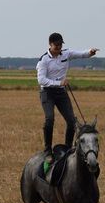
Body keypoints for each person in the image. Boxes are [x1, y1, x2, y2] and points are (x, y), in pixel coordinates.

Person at [36, 32, 98, 164]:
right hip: (47, 93)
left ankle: (68, 148)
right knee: (50, 119)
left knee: (71, 121)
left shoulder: (66, 54)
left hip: (61, 93)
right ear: (50, 44)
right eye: (56, 45)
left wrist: (90, 52)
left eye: (60, 44)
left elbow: (80, 54)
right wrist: (59, 83)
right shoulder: (43, 60)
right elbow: (41, 80)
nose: (58, 47)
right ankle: (48, 150)